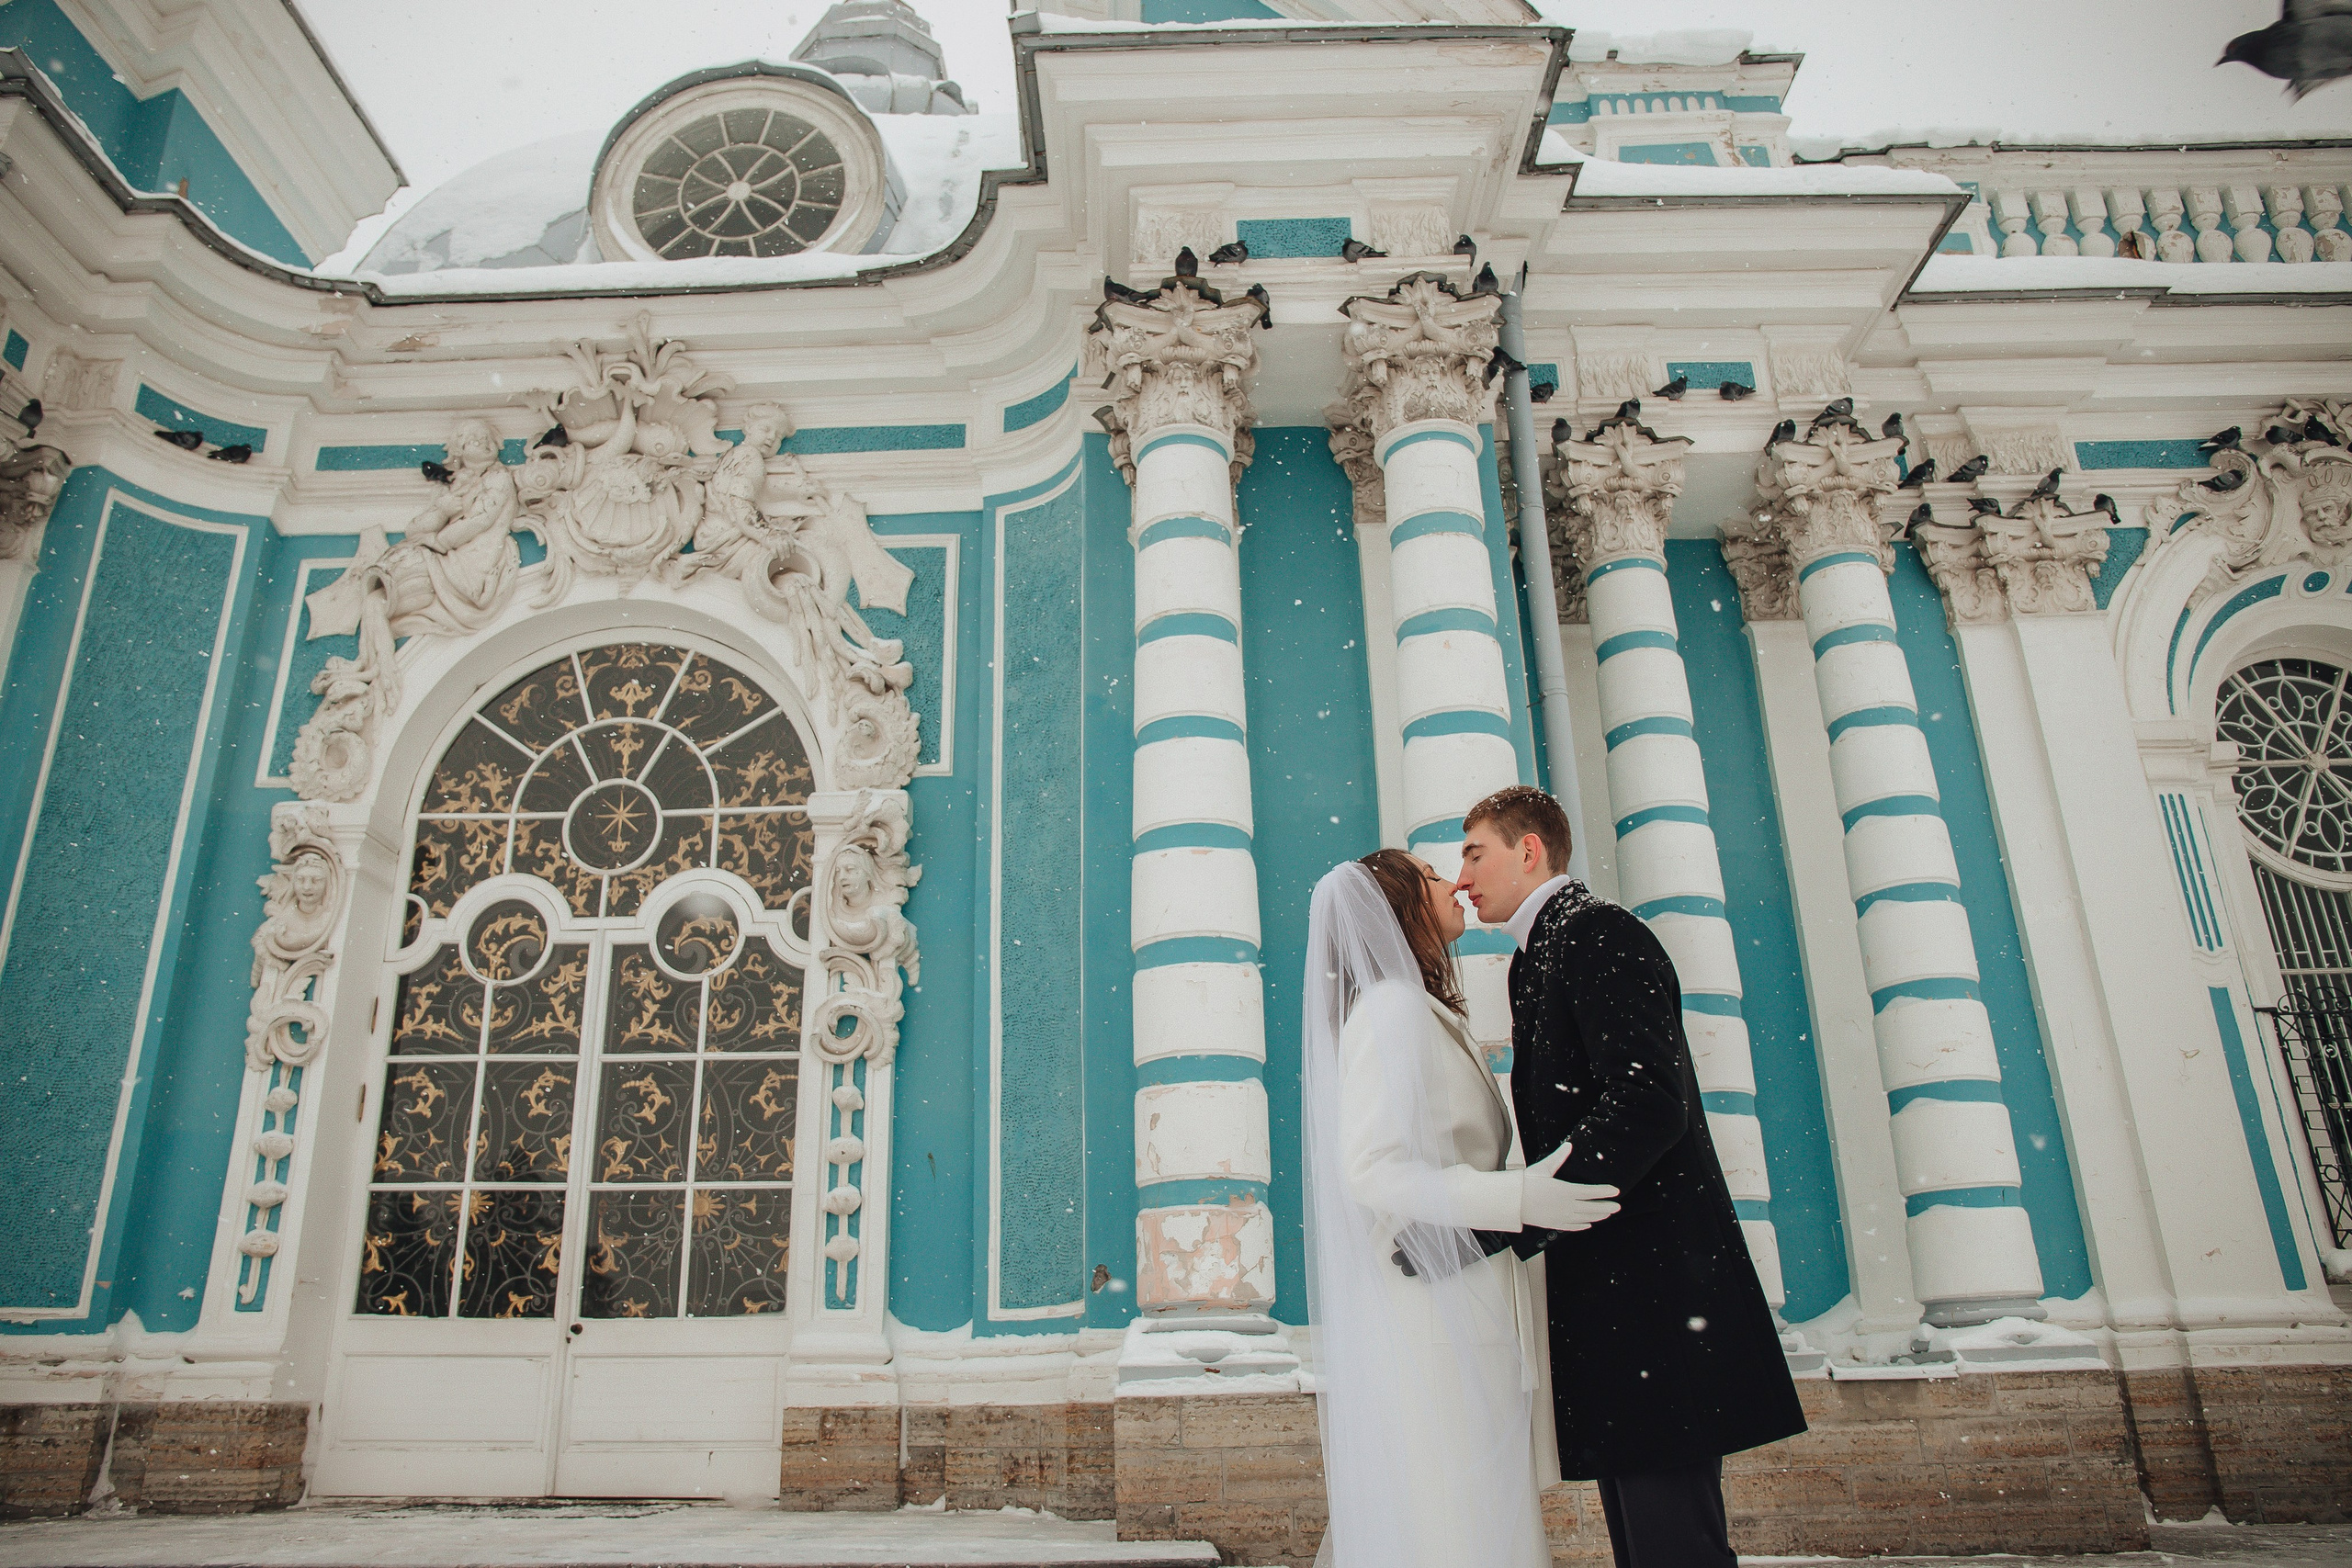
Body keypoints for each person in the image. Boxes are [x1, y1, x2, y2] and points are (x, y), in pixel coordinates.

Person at [1454, 785, 1807, 1568]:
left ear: (1529, 850)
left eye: (1475, 851)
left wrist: (1512, 1213)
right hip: (1616, 1294)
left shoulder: (1597, 934)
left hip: (1654, 1285)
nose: (1462, 876)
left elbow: (1649, 1101)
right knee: (1646, 1536)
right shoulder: (1539, 954)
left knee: (1674, 1541)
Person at [1301, 850, 1622, 1568]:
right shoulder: (1389, 1011)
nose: (1455, 883)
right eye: (1433, 876)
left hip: (1463, 1310)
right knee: (1458, 1525)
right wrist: (1519, 1195)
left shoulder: (1417, 1007)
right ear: (1402, 907)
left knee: (1469, 1520)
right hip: (1432, 1321)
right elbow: (1374, 1167)